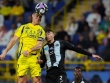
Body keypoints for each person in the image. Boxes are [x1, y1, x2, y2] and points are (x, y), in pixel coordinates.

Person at [0, 11, 45, 83]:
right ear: (32, 15)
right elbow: (13, 40)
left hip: (35, 59)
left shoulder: (41, 31)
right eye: (37, 16)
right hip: (23, 58)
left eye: (40, 17)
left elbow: (39, 45)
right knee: (20, 81)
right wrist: (5, 52)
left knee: (37, 81)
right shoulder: (23, 27)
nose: (38, 18)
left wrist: (29, 51)